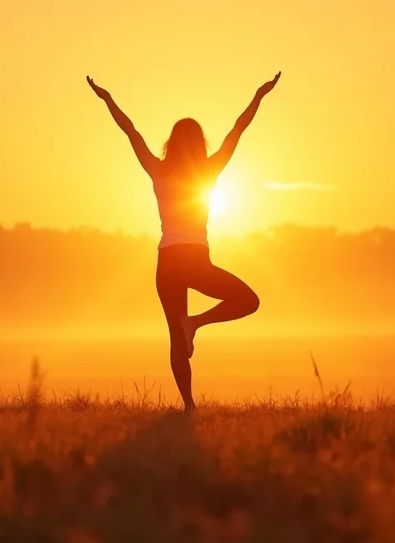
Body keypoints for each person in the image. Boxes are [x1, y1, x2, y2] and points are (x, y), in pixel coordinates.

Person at [87, 72, 281, 411]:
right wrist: (259, 96)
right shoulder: (208, 170)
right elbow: (238, 130)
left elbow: (130, 131)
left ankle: (189, 406)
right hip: (194, 260)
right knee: (248, 301)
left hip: (167, 262)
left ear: (172, 143)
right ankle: (195, 324)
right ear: (198, 143)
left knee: (176, 339)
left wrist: (108, 100)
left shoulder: (158, 170)